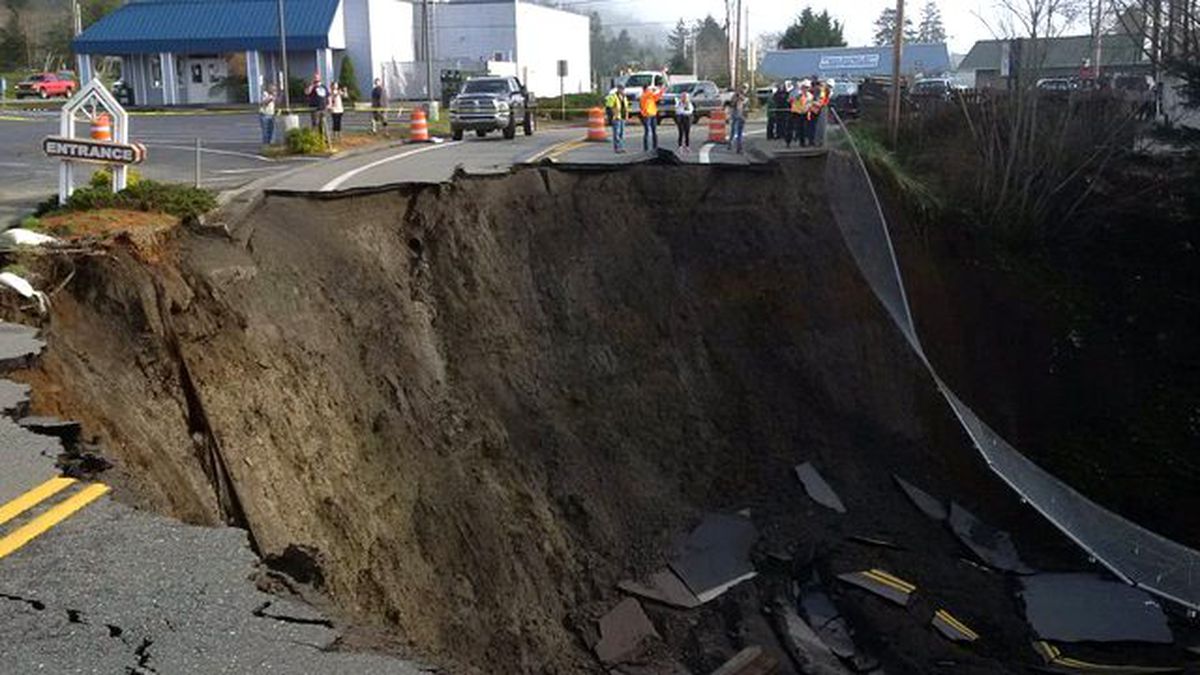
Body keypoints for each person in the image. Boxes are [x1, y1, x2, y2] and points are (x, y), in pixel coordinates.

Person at [786, 80, 812, 149]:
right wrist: (796, 98)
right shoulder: (797, 93)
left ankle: (802, 143)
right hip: (795, 112)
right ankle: (788, 142)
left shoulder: (809, 95)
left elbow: (809, 104)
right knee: (791, 128)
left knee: (802, 128)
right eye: (805, 87)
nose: (806, 89)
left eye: (807, 87)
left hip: (803, 113)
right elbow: (789, 100)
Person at [305, 73, 330, 142]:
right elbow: (307, 92)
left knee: (322, 124)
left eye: (317, 77)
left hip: (323, 108)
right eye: (315, 77)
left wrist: (329, 104)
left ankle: (322, 138)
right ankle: (313, 139)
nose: (316, 79)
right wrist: (312, 85)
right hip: (315, 108)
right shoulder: (312, 86)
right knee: (315, 123)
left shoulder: (323, 87)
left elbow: (328, 95)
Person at [639, 83, 664, 151]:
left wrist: (661, 90)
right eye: (648, 88)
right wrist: (660, 89)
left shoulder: (649, 95)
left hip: (652, 114)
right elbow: (656, 94)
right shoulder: (645, 95)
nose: (650, 89)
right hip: (647, 115)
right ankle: (646, 148)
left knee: (654, 132)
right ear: (645, 89)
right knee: (647, 132)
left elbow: (657, 97)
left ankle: (654, 147)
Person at [604, 87, 629, 153]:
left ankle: (621, 147)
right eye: (621, 89)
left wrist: (627, 115)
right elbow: (609, 107)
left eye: (623, 89)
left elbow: (626, 107)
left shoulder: (624, 97)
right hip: (616, 118)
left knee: (622, 134)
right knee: (616, 134)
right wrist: (612, 115)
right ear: (618, 89)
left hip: (622, 117)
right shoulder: (613, 96)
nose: (622, 90)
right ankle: (617, 148)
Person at [726, 85, 749, 154]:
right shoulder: (736, 96)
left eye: (746, 88)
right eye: (744, 88)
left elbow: (746, 107)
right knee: (735, 131)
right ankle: (733, 144)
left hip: (740, 116)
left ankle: (738, 147)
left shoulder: (744, 97)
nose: (745, 90)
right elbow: (732, 104)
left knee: (738, 132)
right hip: (737, 115)